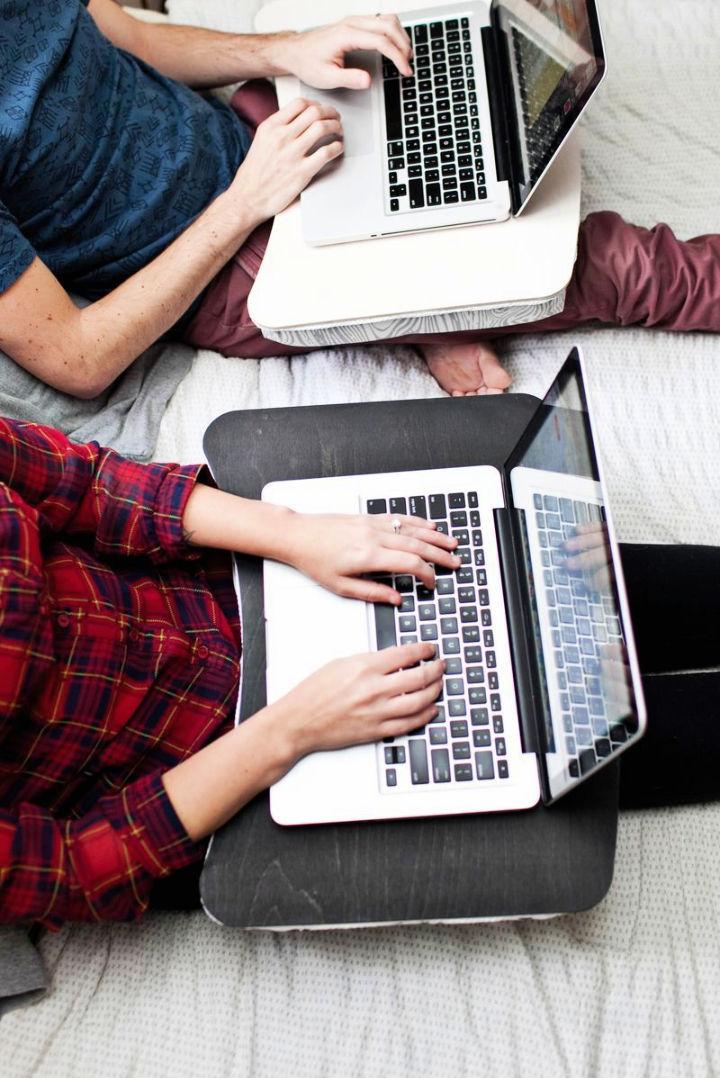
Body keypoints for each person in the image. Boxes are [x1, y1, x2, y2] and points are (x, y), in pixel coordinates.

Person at [2, 417, 718, 926]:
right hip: (226, 770)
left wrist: (296, 533)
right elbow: (72, 866)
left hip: (247, 575)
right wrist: (291, 730)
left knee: (583, 584)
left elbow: (84, 483)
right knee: (586, 731)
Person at [1, 0, 719, 403]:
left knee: (403, 56)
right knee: (602, 263)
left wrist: (287, 51)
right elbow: (79, 359)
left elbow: (121, 34)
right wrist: (248, 200)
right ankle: (418, 308)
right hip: (224, 266)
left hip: (252, 130)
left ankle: (421, 310)